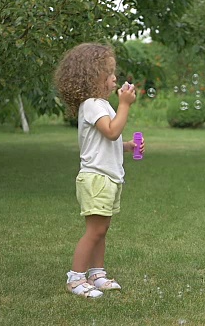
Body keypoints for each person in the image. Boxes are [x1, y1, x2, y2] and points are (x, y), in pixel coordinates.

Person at [54, 43, 144, 298]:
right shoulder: (93, 104)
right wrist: (125, 104)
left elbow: (110, 138)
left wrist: (128, 146)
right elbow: (112, 130)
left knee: (101, 230)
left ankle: (97, 274)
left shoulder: (102, 105)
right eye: (109, 72)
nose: (115, 77)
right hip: (96, 178)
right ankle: (76, 278)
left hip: (109, 177)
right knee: (94, 231)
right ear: (94, 77)